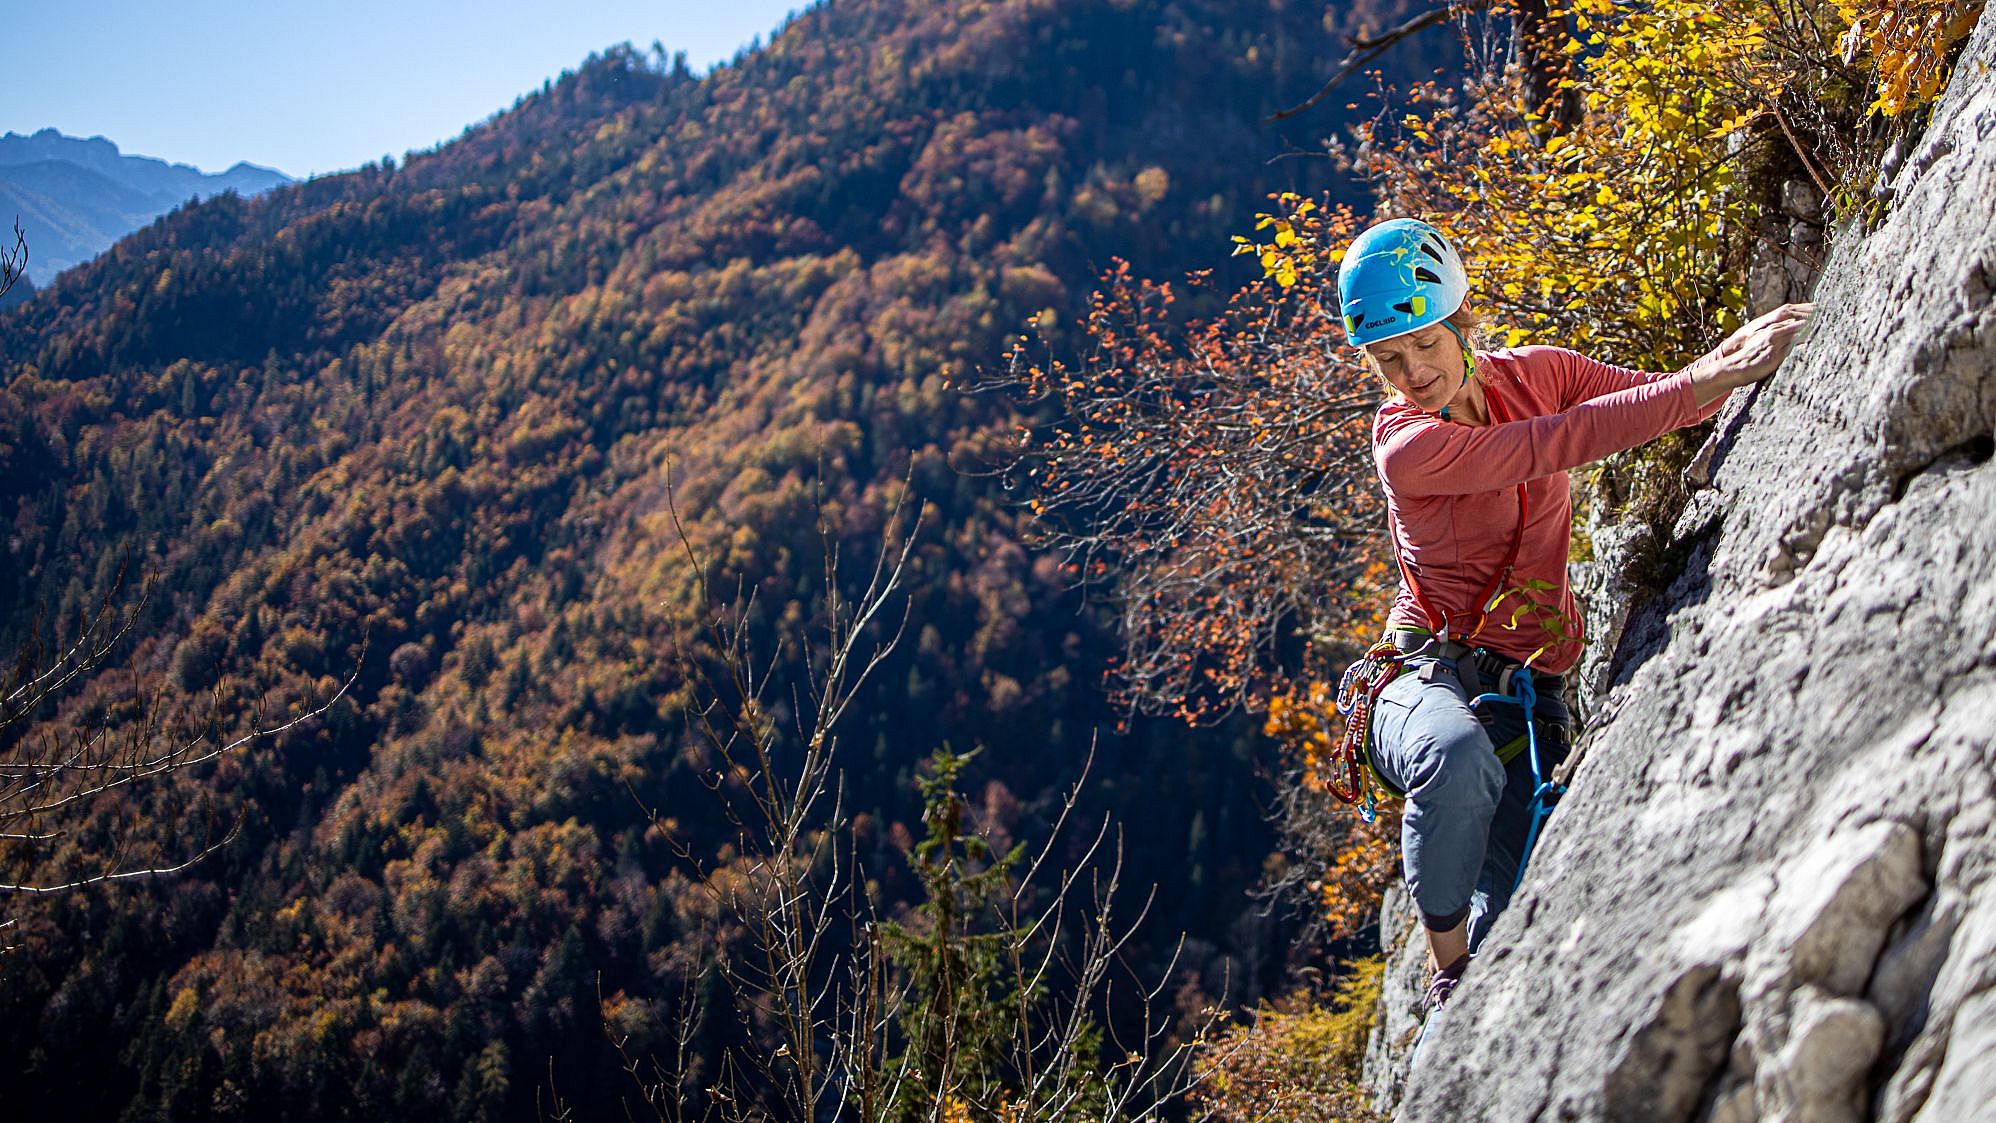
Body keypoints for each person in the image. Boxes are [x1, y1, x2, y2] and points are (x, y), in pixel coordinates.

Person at [1334, 218, 1811, 1009]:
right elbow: (1556, 444)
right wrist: (1711, 375)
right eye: (1388, 359)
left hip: (1528, 692)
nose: (1412, 372)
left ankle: (1476, 972)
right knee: (1454, 756)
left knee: (1522, 929)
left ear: (1458, 320)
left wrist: (1731, 362)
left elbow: (1657, 399)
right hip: (1424, 679)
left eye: (1423, 342)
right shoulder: (1406, 447)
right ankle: (1445, 968)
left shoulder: (1540, 373)